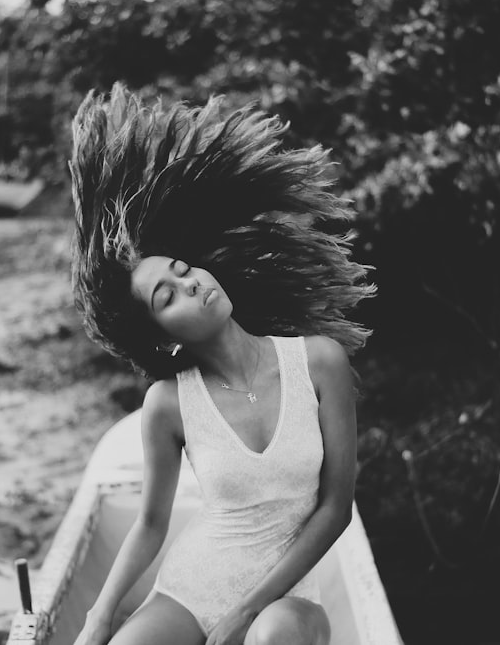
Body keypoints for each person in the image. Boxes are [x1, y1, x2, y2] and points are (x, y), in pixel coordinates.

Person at [69, 84, 375, 645]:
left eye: (185, 270)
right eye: (169, 296)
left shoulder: (319, 361)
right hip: (189, 590)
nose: (192, 282)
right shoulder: (168, 404)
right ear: (164, 341)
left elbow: (336, 508)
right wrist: (99, 618)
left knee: (269, 638)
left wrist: (244, 612)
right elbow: (151, 523)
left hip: (284, 600)